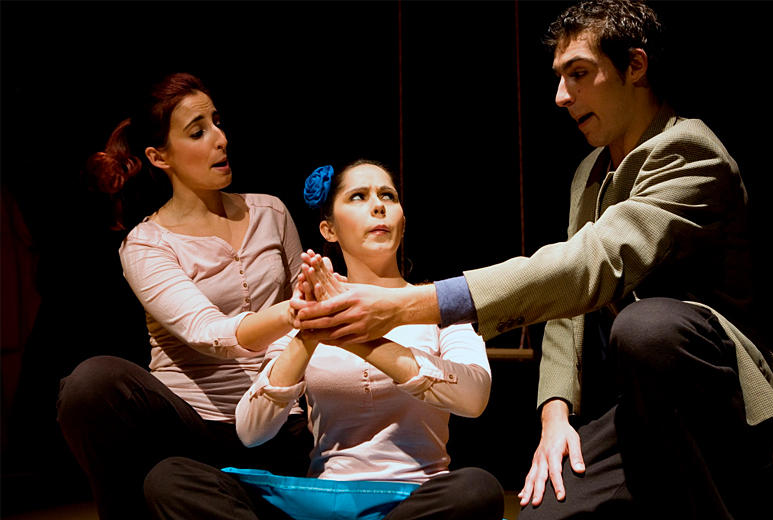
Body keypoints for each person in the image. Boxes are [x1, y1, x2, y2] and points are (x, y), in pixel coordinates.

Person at [288, 2, 773, 519]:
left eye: (579, 74)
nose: (561, 96)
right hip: (636, 405)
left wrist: (408, 305)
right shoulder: (591, 171)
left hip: (716, 397)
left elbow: (591, 264)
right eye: (560, 77)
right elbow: (570, 305)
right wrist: (555, 415)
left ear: (635, 66)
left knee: (647, 327)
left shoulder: (689, 150)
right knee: (543, 511)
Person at [142, 160, 506, 519]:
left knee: (476, 489)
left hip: (417, 500)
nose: (378, 205)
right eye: (358, 196)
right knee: (171, 478)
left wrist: (358, 338)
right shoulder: (309, 315)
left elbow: (474, 398)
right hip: (324, 502)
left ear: (403, 222)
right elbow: (252, 431)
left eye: (388, 196)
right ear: (328, 229)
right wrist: (308, 335)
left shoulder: (438, 308)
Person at [56, 72, 312, 520]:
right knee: (90, 383)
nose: (220, 139)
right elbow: (209, 333)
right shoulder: (146, 243)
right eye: (198, 132)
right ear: (159, 157)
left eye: (217, 122)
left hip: (278, 417)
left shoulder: (271, 211)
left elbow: (304, 309)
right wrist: (295, 313)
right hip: (195, 429)